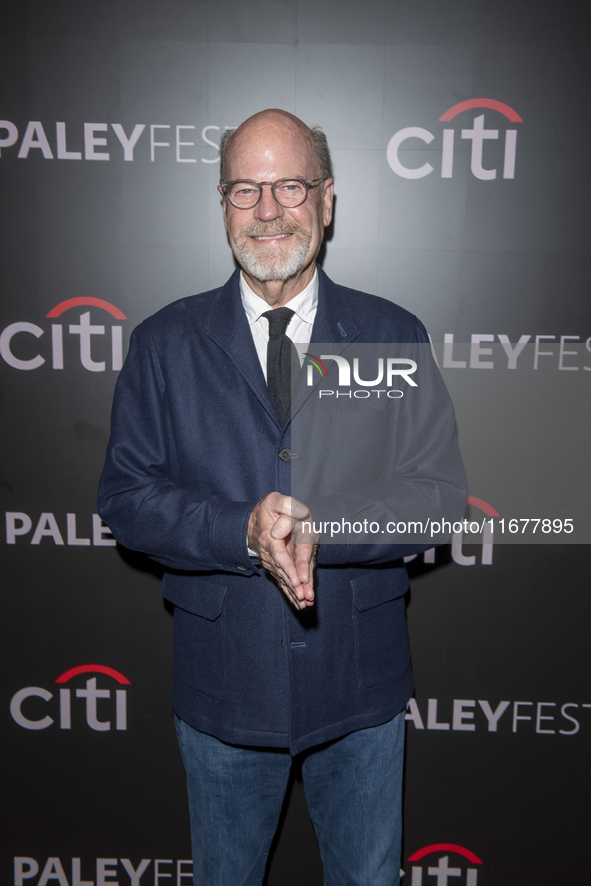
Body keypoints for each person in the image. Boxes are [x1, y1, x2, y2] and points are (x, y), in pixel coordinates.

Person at [98, 108, 466, 886]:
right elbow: (127, 497)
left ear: (327, 200)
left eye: (289, 186)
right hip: (223, 685)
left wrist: (321, 526)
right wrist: (241, 527)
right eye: (244, 190)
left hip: (358, 686)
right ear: (222, 203)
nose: (267, 210)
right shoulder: (164, 342)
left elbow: (437, 498)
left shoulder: (389, 331)